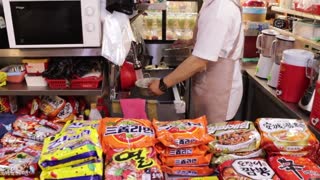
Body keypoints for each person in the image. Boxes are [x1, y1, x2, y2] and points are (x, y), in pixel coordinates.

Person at [148, 0, 244, 123]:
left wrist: (162, 84)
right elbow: (216, 39)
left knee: (213, 135)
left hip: (219, 93)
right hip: (211, 85)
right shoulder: (212, 4)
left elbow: (199, 61)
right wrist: (191, 41)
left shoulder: (220, 9)